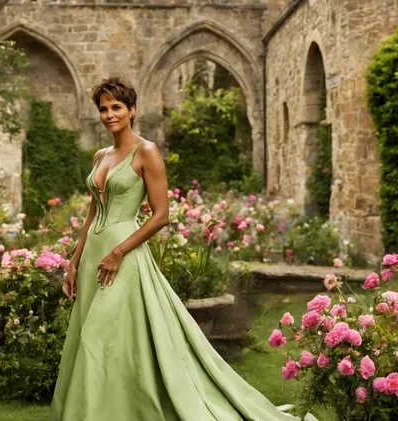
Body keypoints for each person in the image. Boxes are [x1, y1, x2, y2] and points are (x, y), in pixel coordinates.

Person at [49, 76, 315, 421]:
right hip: (93, 257)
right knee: (95, 334)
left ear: (132, 110)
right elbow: (92, 212)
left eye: (117, 107)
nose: (109, 114)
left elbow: (161, 216)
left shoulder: (145, 151)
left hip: (123, 257)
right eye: (103, 109)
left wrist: (118, 253)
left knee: (98, 336)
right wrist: (74, 260)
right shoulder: (101, 155)